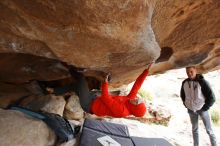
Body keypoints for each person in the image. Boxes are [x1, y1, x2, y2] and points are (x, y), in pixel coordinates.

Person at [58, 63, 153, 118]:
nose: (136, 99)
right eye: (138, 99)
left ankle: (68, 66)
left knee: (81, 80)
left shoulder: (122, 111)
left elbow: (106, 98)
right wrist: (147, 71)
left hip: (89, 105)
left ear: (134, 108)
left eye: (137, 102)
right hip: (95, 98)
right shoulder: (130, 100)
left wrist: (105, 83)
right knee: (75, 86)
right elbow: (137, 85)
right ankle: (52, 91)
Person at [180, 66, 217, 146]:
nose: (189, 74)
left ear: (195, 71)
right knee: (194, 129)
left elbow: (212, 98)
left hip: (202, 109)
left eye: (191, 71)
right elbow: (182, 95)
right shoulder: (184, 82)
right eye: (187, 72)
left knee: (209, 130)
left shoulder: (203, 82)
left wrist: (205, 108)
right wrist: (186, 104)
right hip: (191, 110)